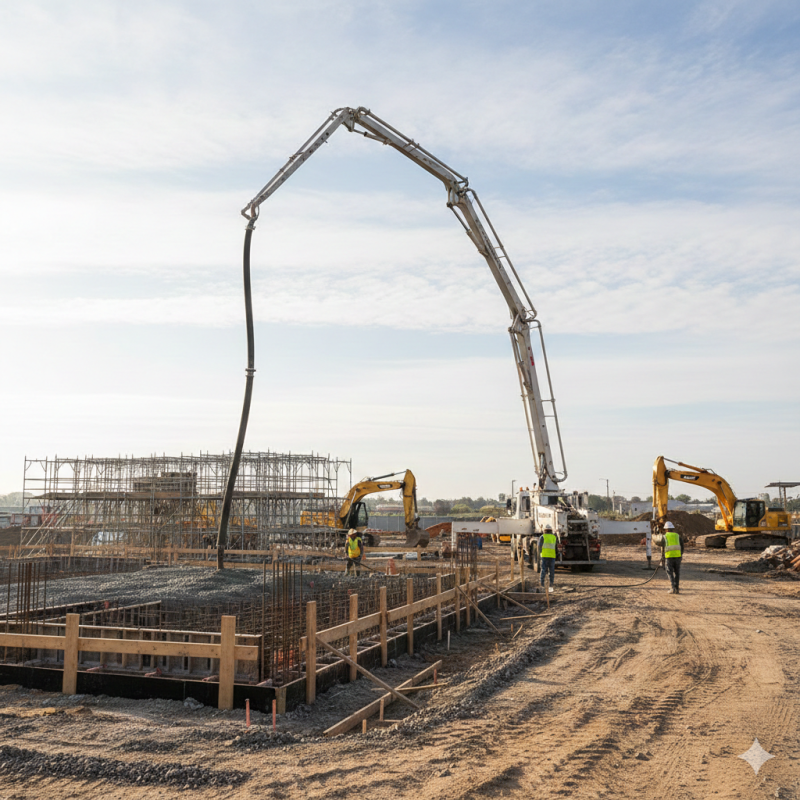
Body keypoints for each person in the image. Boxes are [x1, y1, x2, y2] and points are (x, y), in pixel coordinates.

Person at [660, 521, 685, 594]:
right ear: (672, 529)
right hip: (678, 557)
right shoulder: (677, 536)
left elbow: (663, 548)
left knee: (670, 572)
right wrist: (680, 554)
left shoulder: (664, 537)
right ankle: (677, 588)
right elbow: (682, 546)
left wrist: (662, 557)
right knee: (677, 572)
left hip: (669, 557)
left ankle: (673, 588)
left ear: (666, 529)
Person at [537, 525, 557, 592]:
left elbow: (539, 546)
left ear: (544, 531)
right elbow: (556, 547)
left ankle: (542, 584)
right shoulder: (554, 537)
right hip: (552, 556)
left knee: (543, 569)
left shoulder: (542, 537)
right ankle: (551, 585)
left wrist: (540, 554)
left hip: (544, 556)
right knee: (551, 571)